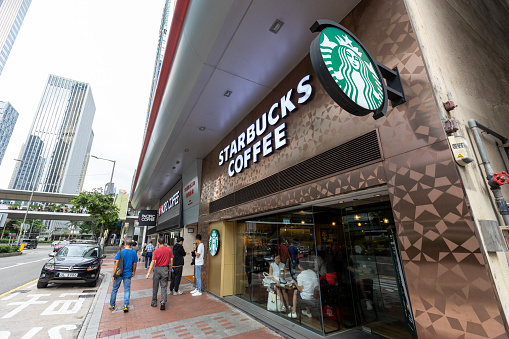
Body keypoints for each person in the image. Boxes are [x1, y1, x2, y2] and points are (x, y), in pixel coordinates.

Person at [109, 239, 138, 313]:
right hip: (128, 274)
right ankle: (125, 305)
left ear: (124, 244)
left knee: (114, 289)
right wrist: (133, 272)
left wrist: (113, 274)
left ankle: (112, 305)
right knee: (127, 289)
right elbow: (135, 264)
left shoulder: (120, 252)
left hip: (119, 273)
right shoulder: (134, 253)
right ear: (131, 245)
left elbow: (116, 263)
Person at [145, 237, 173, 310]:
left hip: (157, 269)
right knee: (164, 286)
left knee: (155, 286)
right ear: (165, 242)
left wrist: (148, 272)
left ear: (158, 243)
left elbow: (153, 261)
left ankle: (154, 302)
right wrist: (170, 268)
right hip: (165, 269)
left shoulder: (156, 251)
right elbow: (171, 259)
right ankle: (163, 302)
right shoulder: (169, 249)